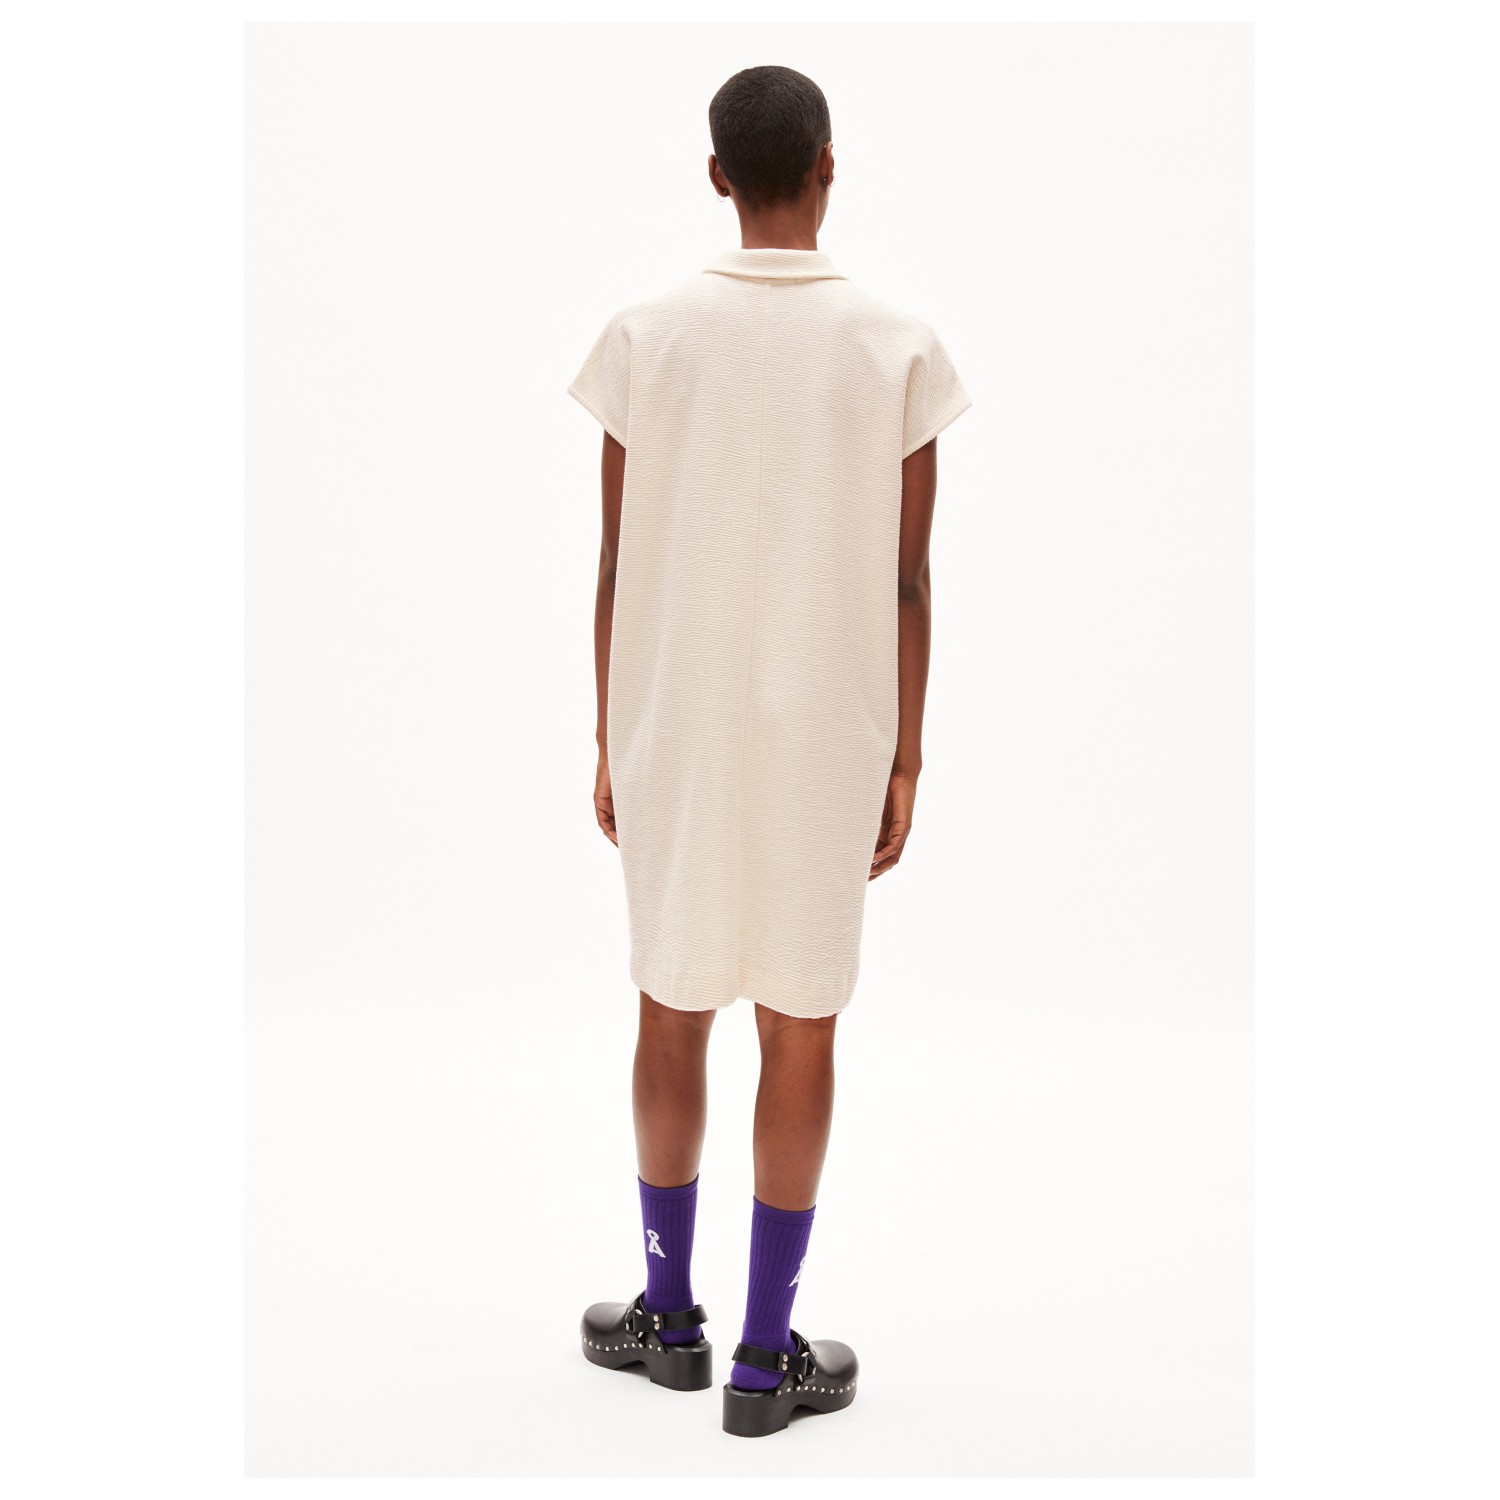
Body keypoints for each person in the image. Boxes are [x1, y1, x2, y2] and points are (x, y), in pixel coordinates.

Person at [567, 64, 971, 1439]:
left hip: (674, 720)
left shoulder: (644, 337)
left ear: (716, 176)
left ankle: (667, 1315)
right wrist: (905, 757)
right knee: (801, 1022)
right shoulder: (897, 349)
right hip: (826, 733)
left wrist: (611, 734)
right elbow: (907, 579)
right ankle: (760, 1355)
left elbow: (616, 559)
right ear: (829, 165)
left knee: (668, 1006)